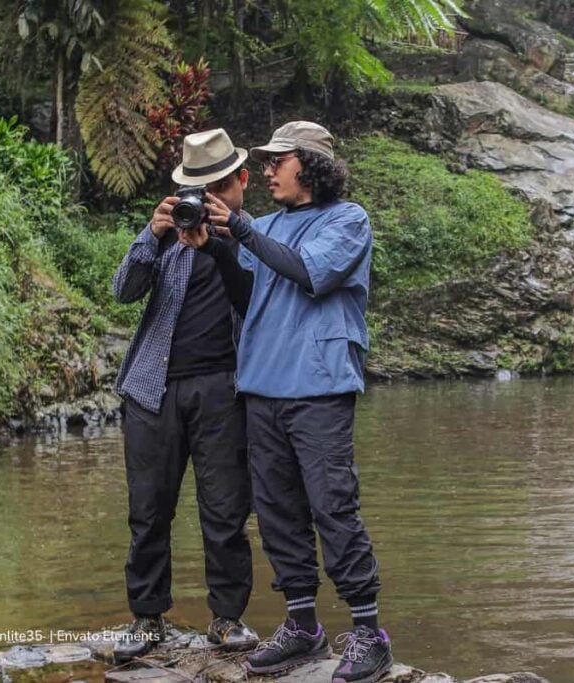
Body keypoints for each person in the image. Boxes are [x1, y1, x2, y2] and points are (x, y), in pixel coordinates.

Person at [186, 121, 391, 682]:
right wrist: (220, 250)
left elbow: (309, 272)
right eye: (269, 160)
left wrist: (244, 232)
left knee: (332, 506)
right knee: (276, 512)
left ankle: (370, 634)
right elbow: (247, 294)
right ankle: (303, 626)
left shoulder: (348, 219)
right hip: (262, 385)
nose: (269, 169)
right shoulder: (267, 225)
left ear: (312, 165)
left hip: (319, 384)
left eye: (280, 160)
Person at [110, 128, 258, 662]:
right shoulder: (169, 237)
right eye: (200, 190)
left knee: (224, 511)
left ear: (241, 182)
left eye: (219, 186)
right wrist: (151, 236)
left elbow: (255, 297)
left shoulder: (257, 239)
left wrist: (221, 241)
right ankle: (147, 618)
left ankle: (227, 618)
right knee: (148, 510)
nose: (210, 199)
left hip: (226, 389)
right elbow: (122, 290)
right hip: (153, 389)